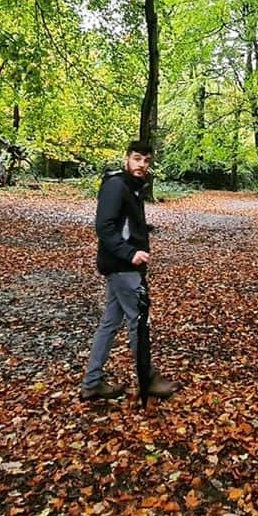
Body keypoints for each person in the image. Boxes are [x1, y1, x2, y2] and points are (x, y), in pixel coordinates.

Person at [80, 140, 177, 402]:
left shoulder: (133, 188)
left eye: (146, 161)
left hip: (122, 267)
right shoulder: (116, 185)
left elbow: (126, 224)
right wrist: (130, 253)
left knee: (110, 323)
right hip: (122, 267)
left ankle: (92, 383)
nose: (142, 165)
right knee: (139, 321)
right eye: (137, 159)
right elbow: (105, 227)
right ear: (126, 159)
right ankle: (147, 379)